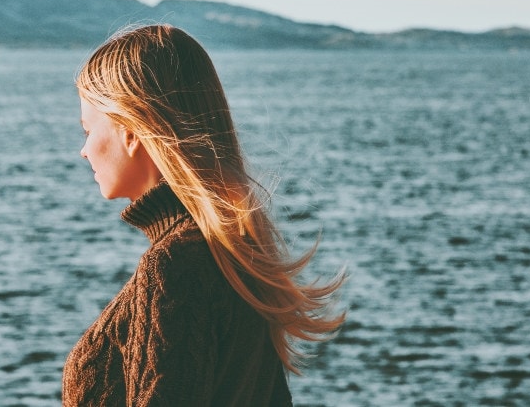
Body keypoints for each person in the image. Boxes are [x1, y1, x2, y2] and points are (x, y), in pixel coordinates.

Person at [62, 24, 345, 406]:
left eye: (88, 130)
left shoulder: (174, 266)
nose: (84, 151)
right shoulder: (233, 251)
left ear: (130, 131)